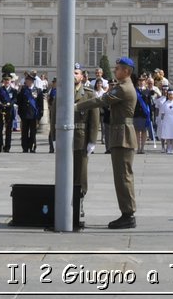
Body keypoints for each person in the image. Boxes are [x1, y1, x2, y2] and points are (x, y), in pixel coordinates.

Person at [76, 55, 138, 229]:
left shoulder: (124, 89)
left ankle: (128, 214)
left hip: (123, 135)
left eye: (118, 68)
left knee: (123, 177)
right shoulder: (122, 87)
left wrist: (77, 106)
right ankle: (127, 212)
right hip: (120, 134)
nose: (115, 70)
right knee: (121, 176)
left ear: (126, 71)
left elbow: (101, 100)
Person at [69, 66, 102, 226]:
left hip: (81, 139)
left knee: (80, 174)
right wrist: (53, 137)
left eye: (76, 73)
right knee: (64, 173)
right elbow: (55, 112)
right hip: (65, 140)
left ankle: (79, 201)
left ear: (82, 77)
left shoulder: (88, 94)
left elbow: (94, 120)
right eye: (71, 73)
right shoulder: (63, 90)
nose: (73, 75)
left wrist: (92, 141)